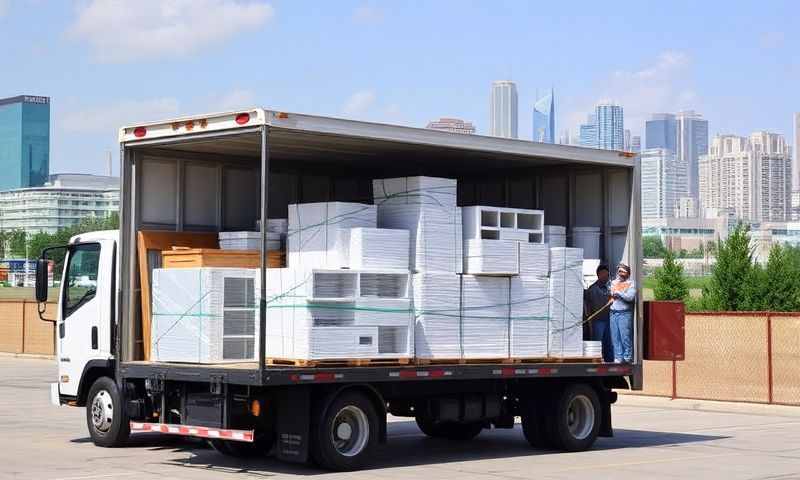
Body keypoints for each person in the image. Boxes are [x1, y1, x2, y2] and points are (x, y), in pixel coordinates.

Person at [584, 264, 613, 362]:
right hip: (597, 321)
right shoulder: (592, 289)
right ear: (598, 275)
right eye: (604, 274)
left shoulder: (609, 288)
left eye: (607, 275)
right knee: (598, 342)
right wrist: (590, 321)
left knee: (609, 342)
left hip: (609, 320)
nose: (606, 277)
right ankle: (598, 362)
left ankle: (609, 362)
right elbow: (587, 306)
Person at [610, 263, 636, 363]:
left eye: (623, 271)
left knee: (625, 336)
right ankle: (618, 357)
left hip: (624, 313)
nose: (621, 273)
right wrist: (618, 292)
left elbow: (630, 297)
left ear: (628, 273)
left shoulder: (631, 283)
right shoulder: (614, 282)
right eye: (619, 271)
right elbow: (612, 293)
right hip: (613, 312)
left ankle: (627, 357)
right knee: (615, 337)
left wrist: (619, 293)